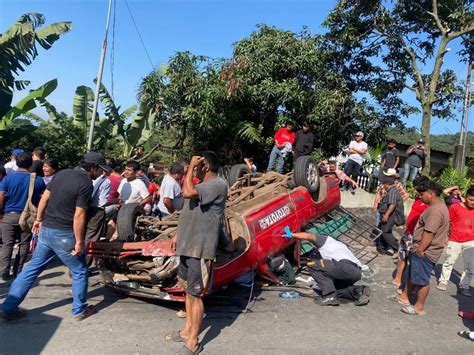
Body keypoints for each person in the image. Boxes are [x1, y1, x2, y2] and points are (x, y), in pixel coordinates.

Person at [0, 153, 95, 321]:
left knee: (31, 269)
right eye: (100, 170)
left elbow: (44, 198)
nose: (101, 173)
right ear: (93, 167)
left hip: (47, 230)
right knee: (80, 271)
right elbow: (79, 214)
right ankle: (79, 310)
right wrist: (80, 241)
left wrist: (38, 219)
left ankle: (8, 307)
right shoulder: (85, 182)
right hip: (65, 233)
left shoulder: (61, 174)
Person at [165, 152, 228, 354]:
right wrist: (177, 234)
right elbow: (188, 211)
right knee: (188, 292)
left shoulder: (217, 184)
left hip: (200, 248)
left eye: (198, 166)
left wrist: (190, 168)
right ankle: (187, 330)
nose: (193, 169)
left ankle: (193, 341)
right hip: (187, 245)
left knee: (196, 294)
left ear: (205, 167)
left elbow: (188, 194)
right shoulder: (201, 186)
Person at [396, 180, 449, 316]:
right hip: (425, 249)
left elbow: (429, 232)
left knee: (422, 280)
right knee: (415, 275)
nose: (419, 197)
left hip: (426, 251)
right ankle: (404, 297)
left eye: (422, 194)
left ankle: (419, 307)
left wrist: (420, 249)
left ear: (431, 194)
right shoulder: (438, 205)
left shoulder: (435, 210)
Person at [290, 231, 370, 306]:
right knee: (333, 287)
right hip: (357, 272)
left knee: (312, 265)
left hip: (345, 267)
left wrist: (292, 234)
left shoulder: (325, 241)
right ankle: (358, 291)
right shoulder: (339, 245)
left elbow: (308, 236)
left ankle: (329, 296)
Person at [0, 153, 46, 280]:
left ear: (17, 163)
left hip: (9, 215)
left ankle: (4, 271)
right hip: (28, 217)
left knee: (7, 244)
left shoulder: (8, 179)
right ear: (31, 164)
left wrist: (1, 213)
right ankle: (18, 270)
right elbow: (44, 198)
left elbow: (1, 196)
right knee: (24, 243)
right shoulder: (37, 180)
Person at [392, 176, 430, 290]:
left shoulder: (429, 202)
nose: (416, 191)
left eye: (418, 189)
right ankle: (398, 278)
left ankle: (411, 286)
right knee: (402, 255)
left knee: (414, 260)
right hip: (408, 233)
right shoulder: (418, 198)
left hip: (418, 235)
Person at [437, 187, 474, 296]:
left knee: (470, 266)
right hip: (454, 239)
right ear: (465, 197)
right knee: (449, 262)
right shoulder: (455, 207)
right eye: (471, 200)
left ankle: (465, 286)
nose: (472, 203)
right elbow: (448, 221)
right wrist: (445, 236)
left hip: (471, 242)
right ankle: (443, 281)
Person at [82, 153, 111, 249]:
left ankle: (84, 258)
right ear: (94, 168)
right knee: (91, 236)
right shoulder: (105, 181)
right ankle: (85, 258)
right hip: (94, 209)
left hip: (87, 208)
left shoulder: (104, 181)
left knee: (85, 234)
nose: (102, 171)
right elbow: (102, 201)